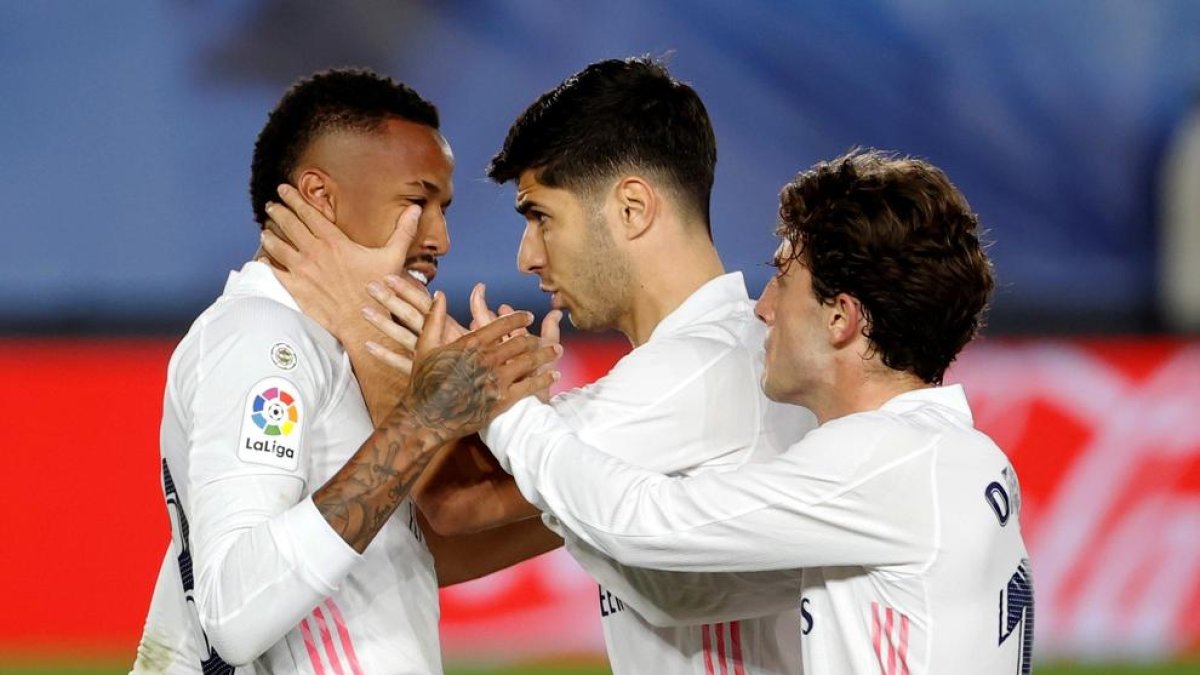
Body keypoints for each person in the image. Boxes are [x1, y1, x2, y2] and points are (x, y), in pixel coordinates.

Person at [263, 57, 815, 674]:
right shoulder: (721, 360)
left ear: (632, 208)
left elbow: (458, 502)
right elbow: (443, 546)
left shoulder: (694, 373)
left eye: (541, 217)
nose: (527, 257)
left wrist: (362, 312)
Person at [453, 149, 1033, 675]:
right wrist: (569, 506)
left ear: (842, 318)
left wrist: (507, 413)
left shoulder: (883, 459)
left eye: (784, 279)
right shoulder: (952, 457)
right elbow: (680, 594)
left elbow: (648, 525)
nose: (762, 307)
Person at [131, 68, 558, 674]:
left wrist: (591, 509)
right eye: (417, 201)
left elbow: (392, 555)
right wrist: (422, 423)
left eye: (444, 208)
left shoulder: (333, 340)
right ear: (320, 197)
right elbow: (234, 612)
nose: (440, 237)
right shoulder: (261, 337)